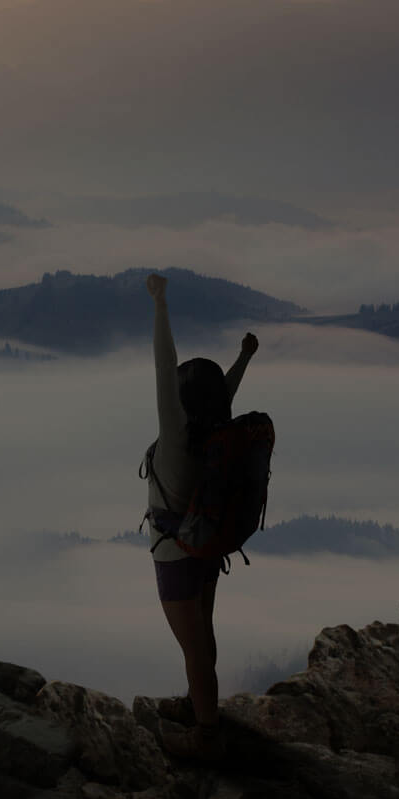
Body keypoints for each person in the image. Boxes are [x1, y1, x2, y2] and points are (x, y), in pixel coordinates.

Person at [142, 271, 257, 762]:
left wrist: (160, 303)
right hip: (205, 549)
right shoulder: (213, 433)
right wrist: (244, 358)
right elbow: (221, 395)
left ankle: (206, 736)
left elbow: (164, 367)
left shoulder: (175, 442)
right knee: (203, 638)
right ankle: (199, 706)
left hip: (175, 557)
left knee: (194, 649)